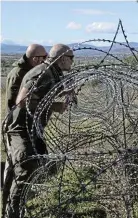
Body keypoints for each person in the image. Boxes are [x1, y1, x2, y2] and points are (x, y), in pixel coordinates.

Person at [2, 44, 74, 218]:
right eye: (71, 58)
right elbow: (21, 101)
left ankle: (15, 208)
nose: (73, 62)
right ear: (62, 58)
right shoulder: (42, 73)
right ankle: (13, 213)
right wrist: (53, 104)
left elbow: (42, 98)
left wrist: (62, 99)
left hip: (32, 129)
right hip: (21, 129)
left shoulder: (52, 73)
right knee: (26, 168)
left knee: (35, 167)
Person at [1, 44, 47, 213]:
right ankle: (9, 207)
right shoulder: (19, 74)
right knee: (14, 169)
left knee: (21, 167)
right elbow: (17, 104)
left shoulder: (29, 72)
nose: (46, 61)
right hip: (15, 127)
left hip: (24, 126)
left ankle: (17, 204)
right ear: (35, 59)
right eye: (44, 58)